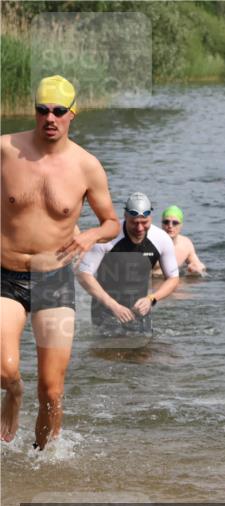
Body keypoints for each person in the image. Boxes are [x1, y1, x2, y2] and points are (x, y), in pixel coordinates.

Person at [1, 75, 120, 450]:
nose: (49, 118)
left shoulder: (86, 166)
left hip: (54, 280)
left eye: (58, 111)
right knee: (5, 370)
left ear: (72, 114)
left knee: (51, 389)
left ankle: (44, 464)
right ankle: (14, 393)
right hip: (5, 275)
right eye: (42, 110)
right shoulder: (5, 150)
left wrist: (87, 237)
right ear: (33, 111)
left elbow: (112, 223)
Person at [76, 193, 180, 337]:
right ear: (125, 216)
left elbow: (173, 278)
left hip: (140, 310)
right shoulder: (108, 237)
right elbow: (83, 274)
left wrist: (151, 299)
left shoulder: (161, 239)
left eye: (144, 222)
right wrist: (113, 305)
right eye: (134, 222)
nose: (139, 228)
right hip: (106, 309)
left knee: (144, 356)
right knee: (108, 356)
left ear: (151, 217)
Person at [156, 206, 205, 276]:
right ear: (162, 224)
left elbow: (197, 265)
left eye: (175, 223)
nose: (170, 226)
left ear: (181, 225)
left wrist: (198, 268)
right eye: (166, 222)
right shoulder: (152, 243)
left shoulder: (186, 244)